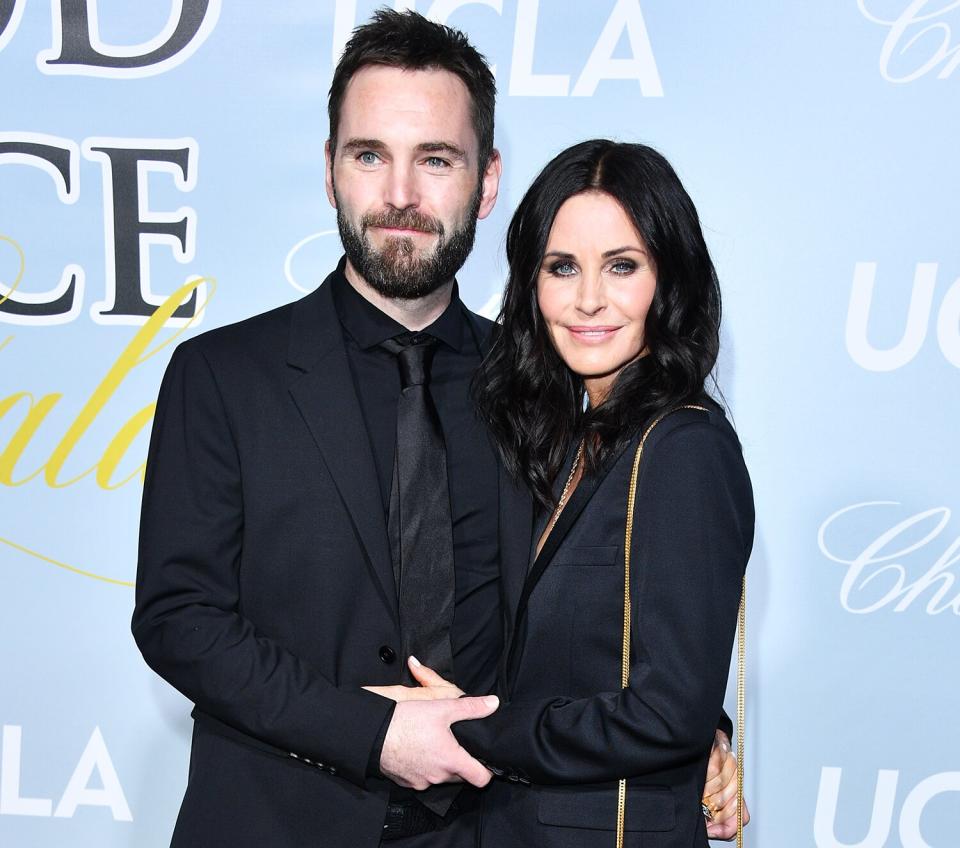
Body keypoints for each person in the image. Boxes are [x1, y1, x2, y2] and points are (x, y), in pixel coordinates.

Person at [131, 10, 743, 847]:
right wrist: (373, 733)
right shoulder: (223, 377)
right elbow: (179, 619)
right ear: (328, 170)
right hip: (274, 822)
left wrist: (693, 732)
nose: (401, 196)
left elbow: (606, 605)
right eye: (369, 154)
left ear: (486, 181)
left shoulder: (550, 387)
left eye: (436, 160)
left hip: (495, 828)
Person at [368, 139, 753, 847]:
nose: (588, 300)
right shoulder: (568, 440)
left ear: (671, 281)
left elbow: (668, 713)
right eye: (562, 267)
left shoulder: (684, 450)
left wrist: (472, 724)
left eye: (622, 266)